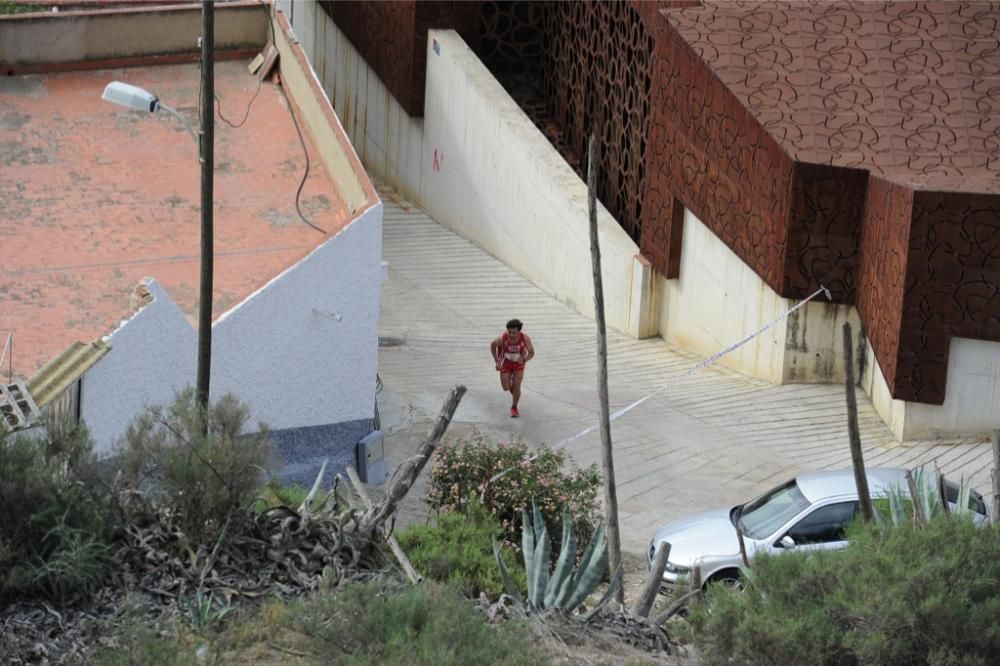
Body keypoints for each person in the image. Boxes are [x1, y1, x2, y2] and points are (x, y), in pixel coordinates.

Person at [490, 318, 535, 417]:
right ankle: (511, 385)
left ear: (519, 331)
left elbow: (532, 353)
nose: (511, 335)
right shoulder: (503, 338)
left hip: (518, 364)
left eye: (514, 333)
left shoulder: (525, 339)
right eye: (509, 332)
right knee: (506, 388)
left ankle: (514, 407)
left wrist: (524, 359)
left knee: (517, 386)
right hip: (506, 362)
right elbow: (493, 345)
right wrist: (496, 360)